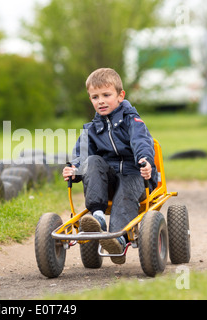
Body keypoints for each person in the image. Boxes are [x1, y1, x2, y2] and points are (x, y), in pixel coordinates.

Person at [63, 68, 157, 264]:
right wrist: (74, 169)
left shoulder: (133, 121)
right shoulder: (91, 129)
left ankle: (118, 239)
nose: (101, 101)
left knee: (124, 195)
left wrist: (145, 161)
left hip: (134, 175)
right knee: (93, 161)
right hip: (107, 183)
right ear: (90, 100)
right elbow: (82, 154)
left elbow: (141, 142)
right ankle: (97, 217)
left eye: (106, 95)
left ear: (120, 96)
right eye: (95, 97)